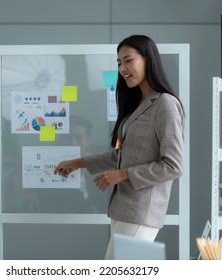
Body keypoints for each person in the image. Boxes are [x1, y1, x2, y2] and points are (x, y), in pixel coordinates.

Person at [54, 35, 184, 259]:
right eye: (118, 63)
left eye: (128, 60)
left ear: (148, 60)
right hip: (124, 209)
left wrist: (123, 174)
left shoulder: (165, 104)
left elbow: (173, 166)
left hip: (142, 211)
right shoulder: (138, 104)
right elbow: (123, 155)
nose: (122, 68)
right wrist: (78, 163)